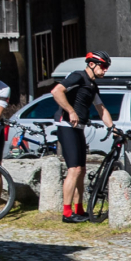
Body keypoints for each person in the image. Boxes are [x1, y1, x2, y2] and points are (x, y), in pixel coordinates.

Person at [50, 52, 117, 221]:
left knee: (81, 170)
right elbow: (56, 91)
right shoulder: (77, 76)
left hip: (78, 127)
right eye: (103, 66)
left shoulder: (92, 85)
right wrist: (70, 111)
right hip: (66, 125)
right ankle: (67, 213)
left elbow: (101, 109)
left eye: (107, 67)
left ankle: (79, 209)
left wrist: (113, 128)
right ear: (92, 64)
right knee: (74, 169)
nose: (105, 71)